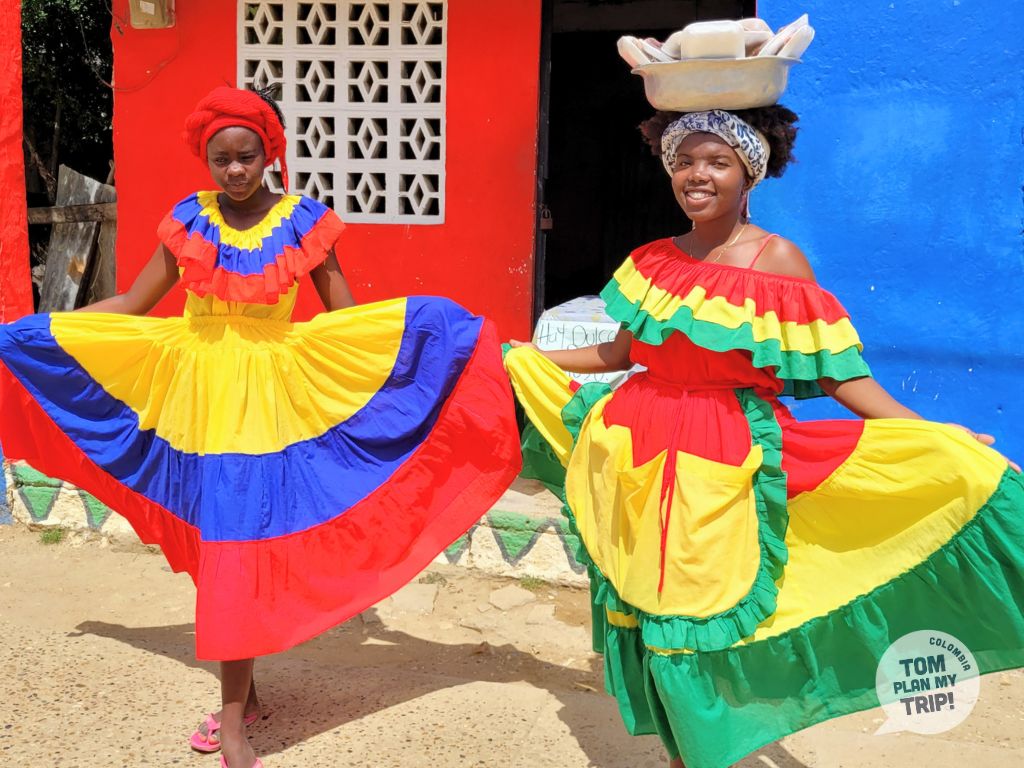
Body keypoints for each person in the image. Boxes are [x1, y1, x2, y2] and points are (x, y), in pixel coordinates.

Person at [0, 86, 521, 768]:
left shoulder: (304, 222)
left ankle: (235, 721)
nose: (236, 171)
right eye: (222, 159)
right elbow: (133, 302)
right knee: (222, 548)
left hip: (266, 409)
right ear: (206, 160)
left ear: (269, 153)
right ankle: (242, 699)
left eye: (247, 156)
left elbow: (341, 317)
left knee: (234, 548)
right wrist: (44, 332)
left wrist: (421, 345)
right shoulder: (189, 219)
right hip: (195, 403)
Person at [504, 105, 1024, 768]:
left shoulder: (777, 260)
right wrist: (529, 355)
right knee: (657, 607)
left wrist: (931, 434)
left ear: (748, 175)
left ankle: (698, 756)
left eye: (716, 162)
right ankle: (683, 754)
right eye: (685, 162)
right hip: (637, 448)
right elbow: (617, 354)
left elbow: (841, 378)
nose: (698, 175)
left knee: (695, 614)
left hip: (721, 455)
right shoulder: (652, 262)